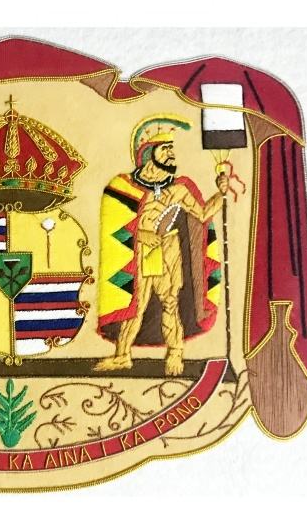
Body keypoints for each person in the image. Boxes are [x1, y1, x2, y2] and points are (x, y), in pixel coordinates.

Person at [96, 115, 228, 376]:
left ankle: (175, 353)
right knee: (136, 305)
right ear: (148, 153)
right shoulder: (122, 186)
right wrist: (140, 234)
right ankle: (122, 355)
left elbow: (202, 214)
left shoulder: (179, 189)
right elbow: (114, 225)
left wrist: (221, 193)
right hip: (140, 252)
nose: (171, 154)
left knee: (170, 302)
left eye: (171, 148)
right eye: (165, 148)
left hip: (168, 248)